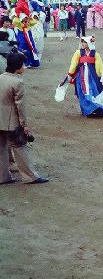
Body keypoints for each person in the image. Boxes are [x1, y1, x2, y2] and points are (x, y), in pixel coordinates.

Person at [0, 52, 48, 184]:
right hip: (11, 122)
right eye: (23, 65)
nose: (25, 67)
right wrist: (24, 125)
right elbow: (20, 107)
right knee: (19, 146)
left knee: (1, 147)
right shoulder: (17, 82)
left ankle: (2, 176)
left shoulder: (1, 78)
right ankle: (29, 176)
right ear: (17, 67)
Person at [67, 36, 103, 117]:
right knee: (83, 92)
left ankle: (96, 108)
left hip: (92, 77)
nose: (83, 44)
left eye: (85, 42)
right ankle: (88, 110)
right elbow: (73, 64)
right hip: (81, 76)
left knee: (93, 90)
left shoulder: (95, 54)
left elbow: (99, 67)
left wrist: (102, 76)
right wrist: (70, 73)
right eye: (82, 42)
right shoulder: (78, 53)